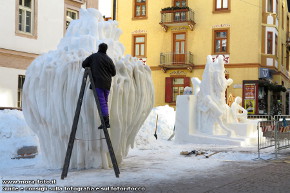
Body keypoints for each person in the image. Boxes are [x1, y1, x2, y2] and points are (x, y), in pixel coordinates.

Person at [82, 43, 116, 129]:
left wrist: (92, 65)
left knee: (102, 102)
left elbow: (84, 64)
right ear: (106, 49)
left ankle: (106, 122)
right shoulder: (109, 59)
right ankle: (105, 120)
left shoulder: (94, 56)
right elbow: (113, 73)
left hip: (98, 83)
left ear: (99, 48)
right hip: (107, 84)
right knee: (104, 102)